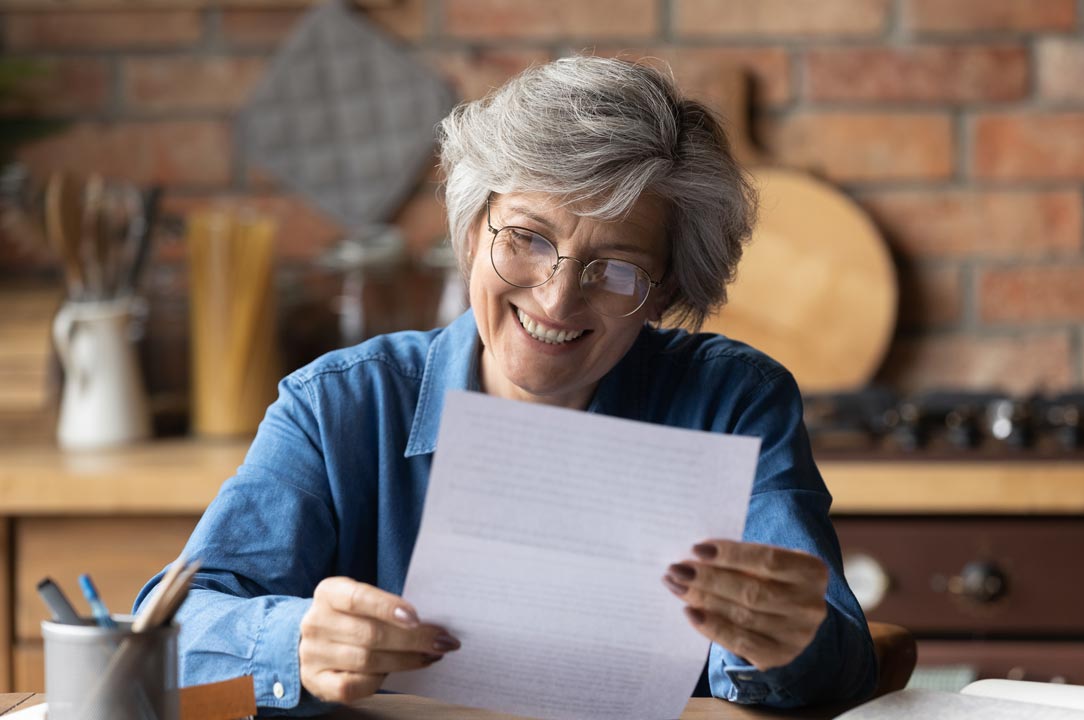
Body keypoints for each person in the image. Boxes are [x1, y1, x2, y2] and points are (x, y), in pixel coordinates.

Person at [136, 56, 877, 716]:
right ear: (470, 229)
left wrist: (779, 640)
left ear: (666, 291)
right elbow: (164, 635)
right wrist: (292, 641)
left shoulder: (732, 404)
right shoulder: (339, 407)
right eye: (527, 237)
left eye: (616, 267)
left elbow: (836, 651)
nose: (557, 300)